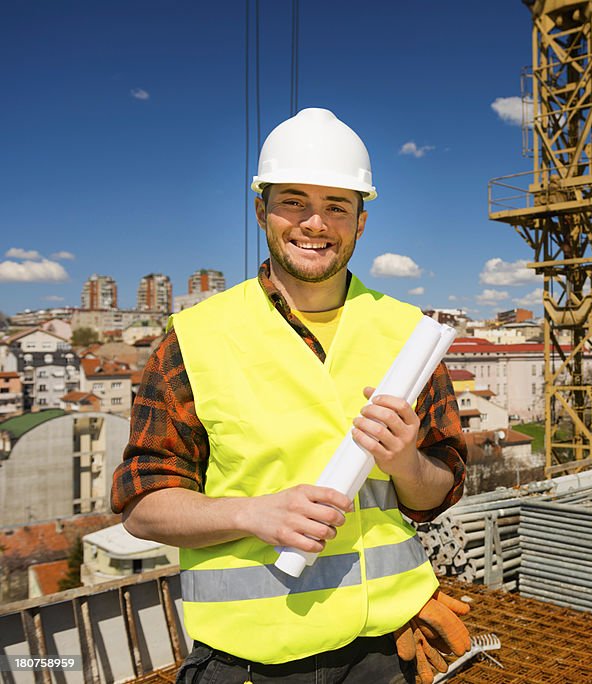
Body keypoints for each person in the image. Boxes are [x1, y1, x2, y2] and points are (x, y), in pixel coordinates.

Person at [111, 108, 469, 684]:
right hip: (250, 661)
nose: (314, 223)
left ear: (361, 223)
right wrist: (252, 514)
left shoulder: (408, 336)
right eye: (294, 201)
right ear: (261, 210)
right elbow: (141, 506)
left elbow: (438, 491)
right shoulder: (194, 341)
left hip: (388, 651)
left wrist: (404, 462)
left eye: (337, 206)